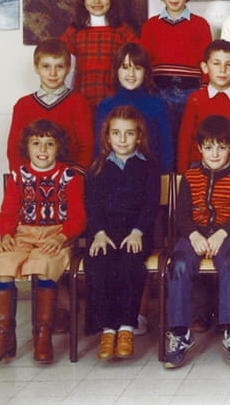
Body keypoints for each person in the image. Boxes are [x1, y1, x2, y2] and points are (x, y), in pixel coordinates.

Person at [0, 120, 86, 363]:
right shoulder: (19, 176)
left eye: (50, 144)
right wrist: (6, 235)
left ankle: (43, 334)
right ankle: (4, 336)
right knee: (4, 263)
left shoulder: (70, 177)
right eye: (36, 143)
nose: (43, 150)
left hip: (56, 235)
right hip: (23, 233)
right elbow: (7, 213)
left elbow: (78, 217)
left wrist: (61, 237)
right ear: (26, 147)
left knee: (44, 264)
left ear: (59, 148)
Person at [164, 115, 230, 368]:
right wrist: (194, 234)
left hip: (228, 235)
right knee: (179, 264)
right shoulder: (190, 176)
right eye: (209, 147)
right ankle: (179, 332)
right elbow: (181, 214)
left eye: (221, 147)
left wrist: (222, 233)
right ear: (199, 148)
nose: (215, 154)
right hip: (194, 235)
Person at [84, 106, 160, 360]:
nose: (122, 139)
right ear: (107, 136)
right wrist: (98, 233)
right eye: (116, 133)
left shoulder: (149, 167)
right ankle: (108, 330)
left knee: (130, 263)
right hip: (104, 234)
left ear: (139, 137)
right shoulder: (97, 168)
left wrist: (138, 231)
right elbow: (92, 206)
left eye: (129, 133)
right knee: (99, 263)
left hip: (136, 233)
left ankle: (126, 328)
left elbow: (150, 205)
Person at [139, 0, 213, 141]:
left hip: (190, 92)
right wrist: (146, 89)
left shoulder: (200, 25)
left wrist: (204, 90)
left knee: (188, 139)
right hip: (158, 91)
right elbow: (144, 62)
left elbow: (207, 62)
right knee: (160, 139)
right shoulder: (150, 25)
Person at [6, 39, 94, 172]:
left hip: (69, 175)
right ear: (36, 68)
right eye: (46, 66)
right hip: (32, 176)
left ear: (68, 68)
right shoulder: (23, 105)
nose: (53, 73)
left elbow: (87, 146)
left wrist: (74, 176)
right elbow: (14, 149)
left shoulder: (78, 102)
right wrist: (24, 177)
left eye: (59, 67)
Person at [60, 0, 137, 110]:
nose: (97, 1)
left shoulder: (123, 31)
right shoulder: (74, 31)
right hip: (81, 102)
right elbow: (66, 69)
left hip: (115, 104)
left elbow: (137, 65)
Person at [177, 40, 230, 173]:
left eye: (229, 65)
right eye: (216, 63)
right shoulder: (195, 99)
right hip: (198, 165)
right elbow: (185, 141)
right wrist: (182, 174)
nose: (222, 70)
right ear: (205, 67)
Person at [96, 43, 173, 172]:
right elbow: (99, 149)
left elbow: (167, 149)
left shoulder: (157, 105)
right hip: (112, 174)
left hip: (149, 175)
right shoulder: (105, 106)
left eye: (137, 68)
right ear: (116, 71)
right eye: (125, 67)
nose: (131, 74)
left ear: (145, 73)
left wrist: (163, 176)